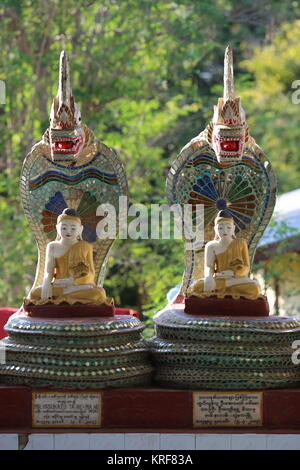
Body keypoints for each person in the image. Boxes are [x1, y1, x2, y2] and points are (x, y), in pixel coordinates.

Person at [28, 208, 111, 305]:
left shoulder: (86, 247)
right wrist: (46, 284)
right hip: (59, 286)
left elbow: (91, 273)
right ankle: (67, 298)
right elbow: (48, 272)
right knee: (34, 294)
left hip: (78, 286)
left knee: (99, 293)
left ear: (80, 229)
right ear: (57, 228)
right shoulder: (53, 246)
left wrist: (74, 282)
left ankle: (62, 299)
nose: (68, 231)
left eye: (73, 228)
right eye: (64, 228)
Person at [187, 210, 261, 300]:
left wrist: (238, 270)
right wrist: (209, 278)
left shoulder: (241, 243)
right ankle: (227, 290)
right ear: (215, 229)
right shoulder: (211, 246)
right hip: (219, 279)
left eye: (228, 227)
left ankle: (223, 290)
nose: (224, 230)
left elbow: (246, 267)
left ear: (233, 228)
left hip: (236, 280)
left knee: (255, 288)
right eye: (220, 228)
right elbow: (209, 266)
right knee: (197, 287)